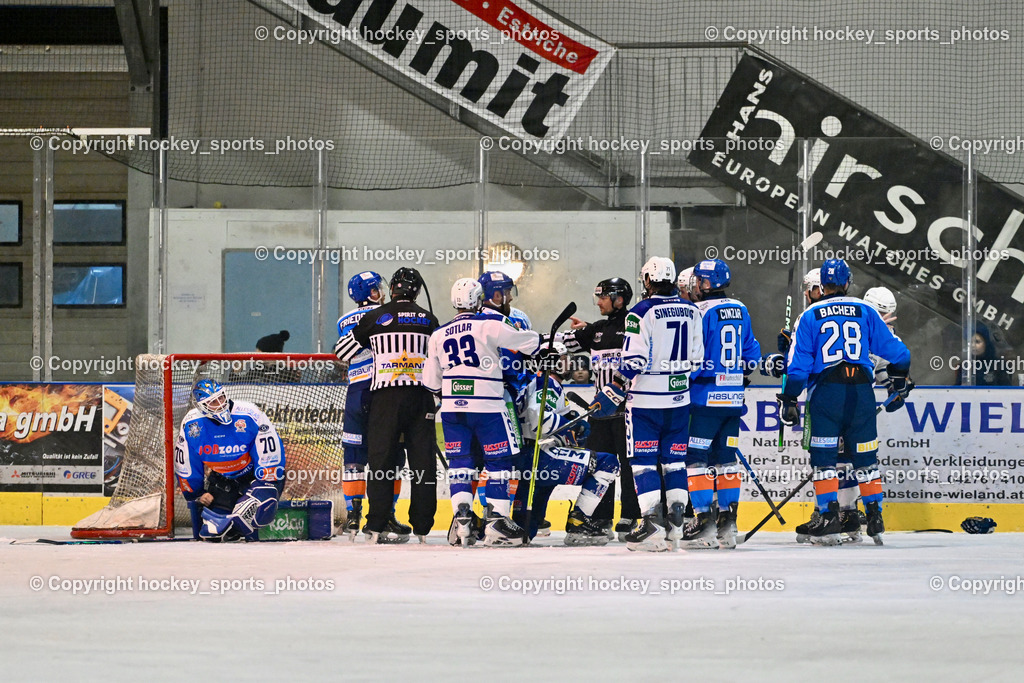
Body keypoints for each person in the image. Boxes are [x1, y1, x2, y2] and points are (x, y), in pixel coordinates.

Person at [778, 259, 912, 545]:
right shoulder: (865, 311)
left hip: (827, 392)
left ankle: (828, 517)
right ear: (848, 283)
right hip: (862, 392)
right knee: (865, 460)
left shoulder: (810, 314)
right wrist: (899, 381)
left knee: (825, 461)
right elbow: (900, 354)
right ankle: (874, 516)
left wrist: (789, 397)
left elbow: (798, 369)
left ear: (821, 285)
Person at [424, 278, 544, 547]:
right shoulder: (489, 324)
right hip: (489, 406)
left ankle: (462, 518)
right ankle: (497, 522)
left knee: (460, 464)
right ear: (479, 300)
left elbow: (431, 382)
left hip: (453, 410)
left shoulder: (438, 335)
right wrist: (551, 342)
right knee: (499, 463)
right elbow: (528, 342)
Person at [335, 267, 440, 543]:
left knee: (381, 460)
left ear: (392, 289)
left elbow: (342, 351)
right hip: (421, 397)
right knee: (422, 464)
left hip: (384, 397)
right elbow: (441, 357)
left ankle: (376, 523)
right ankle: (422, 526)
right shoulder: (429, 319)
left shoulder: (375, 317)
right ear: (416, 291)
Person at [614, 257, 704, 552]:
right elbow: (697, 359)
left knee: (643, 462)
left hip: (645, 402)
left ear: (649, 280)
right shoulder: (692, 310)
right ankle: (676, 523)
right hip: (680, 400)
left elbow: (635, 360)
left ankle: (651, 523)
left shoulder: (640, 311)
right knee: (675, 461)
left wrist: (614, 386)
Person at [682, 258, 761, 549]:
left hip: (704, 397)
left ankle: (703, 521)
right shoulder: (740, 309)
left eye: (698, 280)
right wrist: (739, 373)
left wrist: (684, 380)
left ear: (705, 283)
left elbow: (694, 356)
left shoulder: (698, 311)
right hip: (733, 397)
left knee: (696, 458)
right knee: (726, 458)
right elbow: (752, 353)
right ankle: (728, 523)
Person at [510, 341, 621, 546]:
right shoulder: (548, 383)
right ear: (553, 362)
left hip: (526, 456)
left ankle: (503, 526)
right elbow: (539, 422)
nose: (569, 362)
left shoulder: (536, 382)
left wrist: (570, 426)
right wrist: (573, 425)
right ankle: (579, 522)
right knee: (608, 462)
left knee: (525, 531)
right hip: (539, 455)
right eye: (564, 358)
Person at [560, 277, 639, 541]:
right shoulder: (597, 330)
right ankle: (601, 517)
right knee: (601, 466)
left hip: (628, 412)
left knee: (630, 466)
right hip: (600, 412)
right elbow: (560, 344)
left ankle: (631, 515)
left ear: (619, 298)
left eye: (603, 297)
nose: (599, 302)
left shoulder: (635, 326)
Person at [174, 379, 285, 542]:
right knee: (212, 534)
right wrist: (197, 493)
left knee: (254, 513)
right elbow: (186, 462)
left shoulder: (249, 413)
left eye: (221, 397)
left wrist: (266, 483)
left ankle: (245, 527)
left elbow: (269, 451)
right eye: (212, 402)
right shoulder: (191, 424)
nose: (220, 404)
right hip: (222, 482)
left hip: (252, 478)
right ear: (201, 406)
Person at [333, 271, 388, 540]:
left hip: (355, 392)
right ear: (370, 293)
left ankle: (353, 514)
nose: (383, 291)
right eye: (378, 288)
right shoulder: (388, 314)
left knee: (353, 458)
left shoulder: (343, 320)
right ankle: (387, 514)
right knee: (389, 455)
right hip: (382, 390)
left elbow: (342, 353)